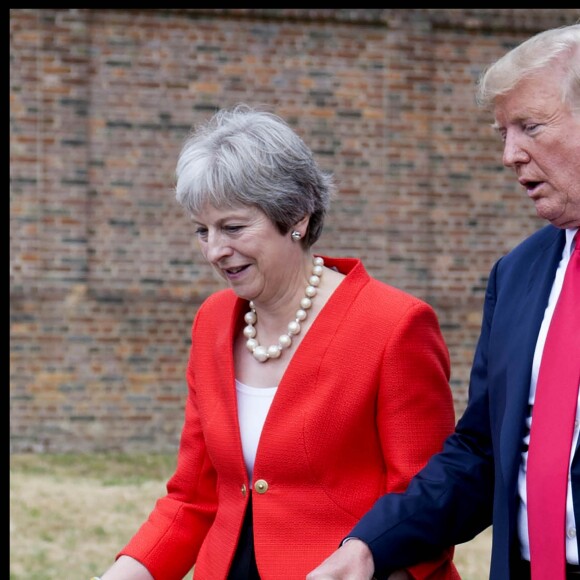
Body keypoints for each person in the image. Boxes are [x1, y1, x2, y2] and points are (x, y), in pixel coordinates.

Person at [90, 104, 459, 580]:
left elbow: (426, 503)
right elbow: (192, 498)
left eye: (233, 227)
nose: (215, 250)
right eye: (202, 231)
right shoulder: (212, 321)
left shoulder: (395, 325)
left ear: (297, 216)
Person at [306, 22, 580, 580]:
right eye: (502, 132)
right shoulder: (518, 273)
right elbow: (481, 452)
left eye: (530, 127)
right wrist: (371, 545)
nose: (509, 154)